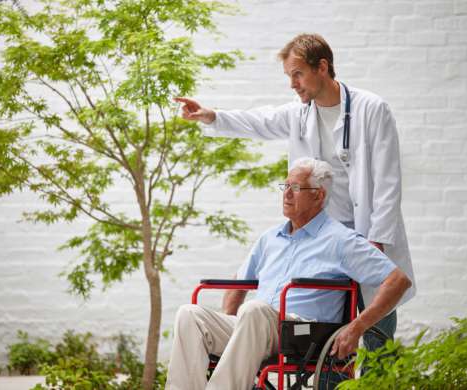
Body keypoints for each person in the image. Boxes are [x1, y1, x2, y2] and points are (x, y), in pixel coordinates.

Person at [174, 33, 415, 350]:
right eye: (289, 76)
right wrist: (211, 116)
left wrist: (377, 242)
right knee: (330, 337)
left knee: (377, 335)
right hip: (322, 235)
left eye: (297, 74)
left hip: (365, 234)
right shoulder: (299, 113)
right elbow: (258, 120)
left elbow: (387, 183)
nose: (293, 84)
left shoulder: (371, 109)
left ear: (323, 67)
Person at [165, 158, 412, 390]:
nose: (286, 193)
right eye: (285, 185)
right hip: (254, 325)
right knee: (190, 315)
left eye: (295, 187)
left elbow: (398, 281)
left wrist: (357, 327)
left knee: (254, 310)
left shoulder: (340, 240)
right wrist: (230, 332)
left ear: (318, 195)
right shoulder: (270, 238)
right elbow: (239, 283)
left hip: (302, 332)